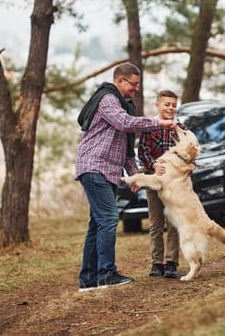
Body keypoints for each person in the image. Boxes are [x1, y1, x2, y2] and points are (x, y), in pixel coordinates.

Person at [75, 63, 175, 292]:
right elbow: (125, 123)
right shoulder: (108, 98)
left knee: (97, 223)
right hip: (94, 166)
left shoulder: (124, 105)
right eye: (133, 84)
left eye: (138, 84)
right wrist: (156, 122)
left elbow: (127, 148)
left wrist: (134, 176)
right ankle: (106, 273)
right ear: (120, 81)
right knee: (109, 218)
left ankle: (88, 279)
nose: (136, 89)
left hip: (108, 171)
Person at [138, 90, 185, 279]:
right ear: (157, 105)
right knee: (156, 223)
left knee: (173, 222)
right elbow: (142, 151)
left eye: (174, 105)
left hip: (174, 183)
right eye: (167, 104)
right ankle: (157, 263)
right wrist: (154, 164)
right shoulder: (149, 127)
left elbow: (188, 152)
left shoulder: (181, 128)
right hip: (154, 179)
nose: (171, 108)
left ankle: (171, 262)